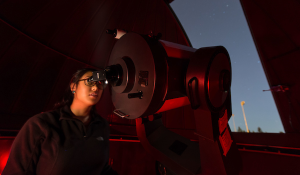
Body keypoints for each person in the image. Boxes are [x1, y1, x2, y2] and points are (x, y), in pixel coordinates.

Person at [2, 68, 118, 175]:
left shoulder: (102, 126)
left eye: (100, 83)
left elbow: (102, 169)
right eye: (90, 81)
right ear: (73, 86)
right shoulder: (40, 124)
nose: (95, 88)